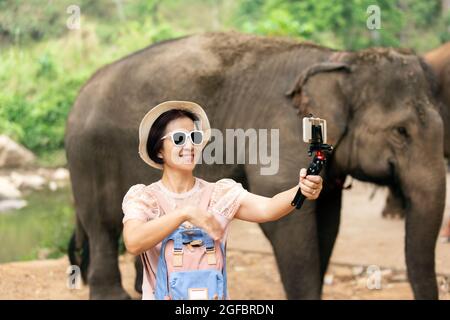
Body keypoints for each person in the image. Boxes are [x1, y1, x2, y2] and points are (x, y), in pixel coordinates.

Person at [122, 100, 323, 299]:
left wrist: (301, 189)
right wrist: (185, 213)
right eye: (179, 139)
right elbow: (133, 242)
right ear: (158, 149)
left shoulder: (219, 194)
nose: (190, 144)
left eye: (195, 136)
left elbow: (268, 208)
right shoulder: (145, 199)